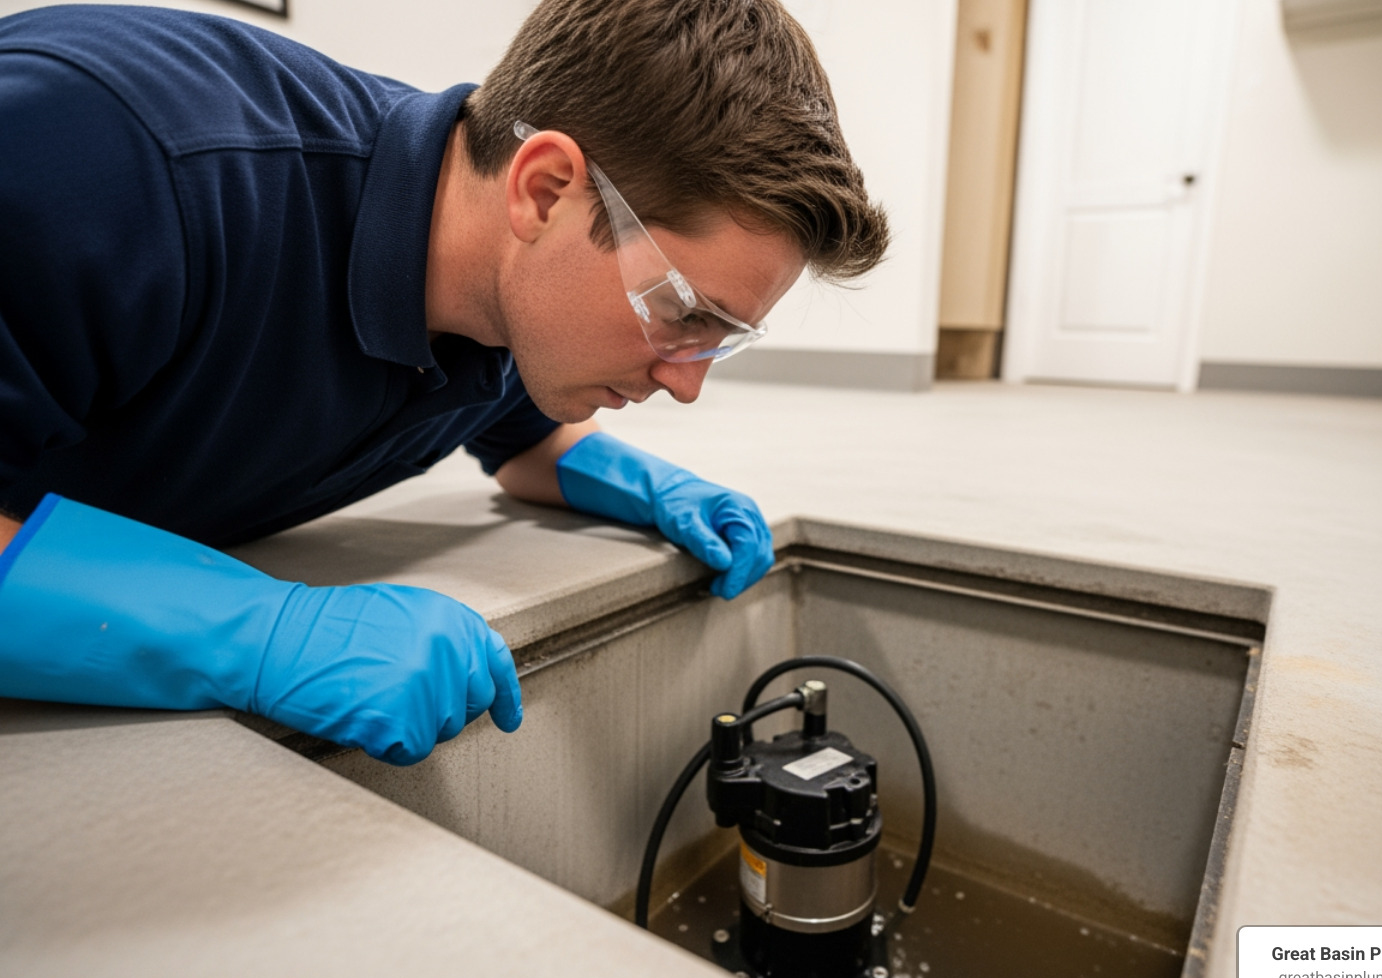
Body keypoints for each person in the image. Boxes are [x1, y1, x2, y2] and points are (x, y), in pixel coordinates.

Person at [0, 0, 888, 764]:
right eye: (684, 312)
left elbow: (522, 437)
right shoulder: (111, 162)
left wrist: (645, 486)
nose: (686, 385)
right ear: (545, 190)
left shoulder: (496, 298)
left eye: (722, 339)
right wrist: (249, 631)